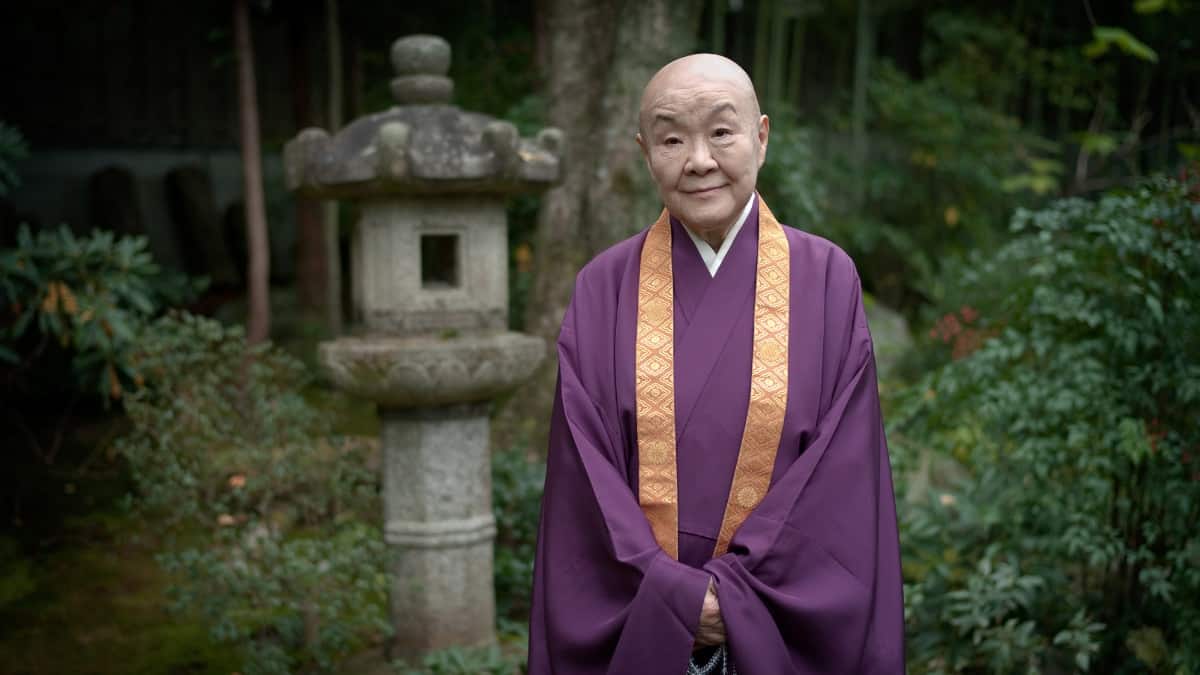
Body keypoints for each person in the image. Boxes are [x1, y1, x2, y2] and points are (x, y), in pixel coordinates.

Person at [527, 53, 905, 674]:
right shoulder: (602, 287)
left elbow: (842, 476)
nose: (699, 159)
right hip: (638, 610)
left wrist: (737, 596)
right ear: (645, 151)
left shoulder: (827, 279)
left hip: (784, 611)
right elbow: (583, 478)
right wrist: (674, 595)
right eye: (673, 138)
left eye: (721, 132)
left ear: (761, 137)